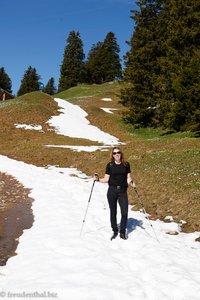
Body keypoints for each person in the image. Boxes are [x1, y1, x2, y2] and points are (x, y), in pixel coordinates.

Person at [93, 146, 136, 240]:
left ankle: (123, 232)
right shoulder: (110, 165)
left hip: (122, 191)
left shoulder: (126, 164)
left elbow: (128, 177)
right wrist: (98, 179)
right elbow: (106, 179)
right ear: (112, 155)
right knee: (113, 212)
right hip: (112, 191)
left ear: (121, 154)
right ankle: (115, 230)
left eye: (118, 152)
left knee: (124, 212)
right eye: (114, 153)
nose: (116, 154)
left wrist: (131, 182)